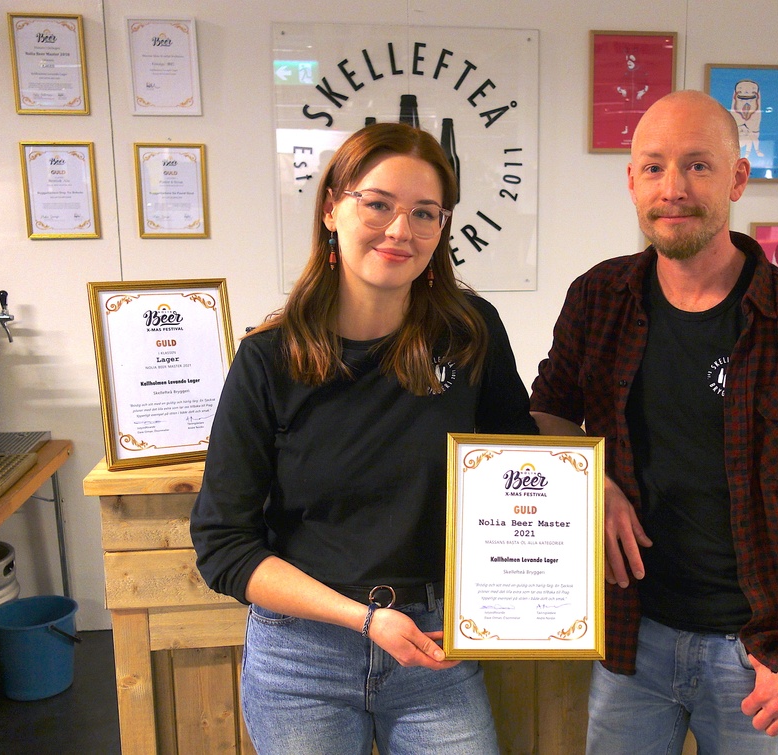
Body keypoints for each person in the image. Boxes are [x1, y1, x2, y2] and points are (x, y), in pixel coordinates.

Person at [529, 90, 778, 754]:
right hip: (630, 640)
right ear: (632, 180)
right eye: (655, 167)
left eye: (698, 166)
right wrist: (590, 482)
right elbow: (546, 411)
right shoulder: (596, 298)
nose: (675, 188)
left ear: (738, 178)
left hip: (756, 654)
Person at [191, 122, 536, 755]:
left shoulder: (472, 333)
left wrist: (590, 490)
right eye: (377, 204)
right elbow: (223, 548)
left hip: (436, 650)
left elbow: (523, 468)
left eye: (424, 213)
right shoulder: (269, 360)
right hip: (302, 660)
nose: (401, 230)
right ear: (331, 207)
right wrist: (365, 620)